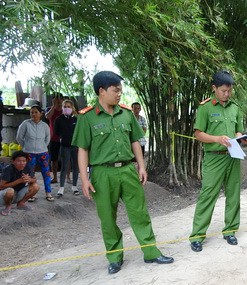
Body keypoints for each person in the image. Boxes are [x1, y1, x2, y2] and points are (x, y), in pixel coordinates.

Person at [72, 71, 174, 274]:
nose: (119, 94)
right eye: (115, 90)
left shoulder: (126, 114)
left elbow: (135, 140)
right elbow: (82, 149)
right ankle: (115, 257)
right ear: (102, 91)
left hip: (128, 170)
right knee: (107, 218)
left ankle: (151, 252)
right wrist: (84, 179)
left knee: (139, 213)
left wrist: (141, 166)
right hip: (102, 174)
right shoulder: (87, 118)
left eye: (120, 90)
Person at [188, 71, 247, 252]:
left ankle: (230, 230)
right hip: (214, 158)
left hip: (233, 157)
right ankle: (197, 236)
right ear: (214, 88)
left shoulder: (235, 107)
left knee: (233, 194)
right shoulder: (205, 108)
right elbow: (198, 134)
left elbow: (239, 130)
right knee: (208, 195)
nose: (227, 94)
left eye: (229, 91)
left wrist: (239, 137)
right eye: (223, 91)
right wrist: (216, 139)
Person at [16, 105, 55, 201]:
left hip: (43, 153)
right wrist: (26, 146)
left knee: (46, 173)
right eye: (31, 112)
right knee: (30, 174)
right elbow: (19, 137)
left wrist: (42, 146)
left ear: (41, 113)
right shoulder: (25, 124)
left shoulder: (45, 126)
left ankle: (48, 193)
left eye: (35, 112)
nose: (33, 114)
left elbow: (47, 139)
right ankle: (32, 193)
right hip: (29, 153)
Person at [0, 151, 39, 215]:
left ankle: (21, 203)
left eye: (24, 161)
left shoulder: (28, 167)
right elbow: (1, 186)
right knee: (10, 191)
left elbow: (34, 179)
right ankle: (8, 206)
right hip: (4, 196)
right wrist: (19, 181)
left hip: (18, 193)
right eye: (19, 161)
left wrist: (29, 180)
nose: (22, 163)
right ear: (13, 162)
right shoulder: (8, 169)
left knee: (35, 186)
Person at [54, 99, 80, 197]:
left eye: (69, 107)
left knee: (75, 166)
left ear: (72, 108)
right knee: (64, 167)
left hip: (75, 146)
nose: (67, 108)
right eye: (65, 107)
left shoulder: (77, 119)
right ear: (62, 108)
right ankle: (61, 187)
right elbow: (56, 133)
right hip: (64, 146)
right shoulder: (59, 119)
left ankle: (74, 186)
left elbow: (80, 132)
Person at [45, 92, 63, 184]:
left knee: (66, 158)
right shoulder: (50, 109)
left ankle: (67, 177)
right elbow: (47, 116)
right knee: (53, 158)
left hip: (65, 138)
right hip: (53, 138)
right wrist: (53, 106)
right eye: (56, 99)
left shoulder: (65, 109)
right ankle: (55, 177)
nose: (58, 101)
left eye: (59, 99)